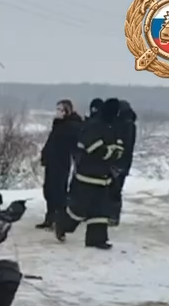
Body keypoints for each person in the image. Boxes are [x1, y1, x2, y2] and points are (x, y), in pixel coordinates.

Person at [56, 98, 126, 249]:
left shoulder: (113, 127)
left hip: (104, 178)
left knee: (101, 210)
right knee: (79, 210)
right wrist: (110, 151)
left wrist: (112, 151)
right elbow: (94, 149)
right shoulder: (93, 125)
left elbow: (120, 148)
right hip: (86, 177)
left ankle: (97, 239)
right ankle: (62, 224)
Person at [36, 99, 82, 229]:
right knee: (49, 190)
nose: (58, 112)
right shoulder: (58, 124)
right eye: (57, 109)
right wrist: (45, 154)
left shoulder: (72, 125)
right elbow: (52, 141)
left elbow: (72, 145)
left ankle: (59, 219)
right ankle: (50, 218)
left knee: (58, 191)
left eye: (61, 110)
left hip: (61, 161)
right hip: (52, 160)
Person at [108, 100, 137, 226]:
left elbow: (125, 145)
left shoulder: (125, 125)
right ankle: (112, 215)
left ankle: (113, 216)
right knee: (114, 189)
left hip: (120, 162)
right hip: (124, 162)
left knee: (114, 189)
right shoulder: (129, 124)